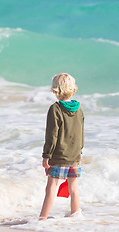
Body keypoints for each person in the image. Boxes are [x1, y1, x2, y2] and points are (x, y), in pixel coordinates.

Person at [39, 73, 84, 220]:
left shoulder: (55, 109)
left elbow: (52, 136)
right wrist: (79, 152)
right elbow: (80, 134)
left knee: (51, 186)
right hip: (75, 155)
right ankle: (75, 215)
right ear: (73, 89)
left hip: (58, 156)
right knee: (74, 187)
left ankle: (42, 218)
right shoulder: (79, 109)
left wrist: (46, 156)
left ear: (56, 90)